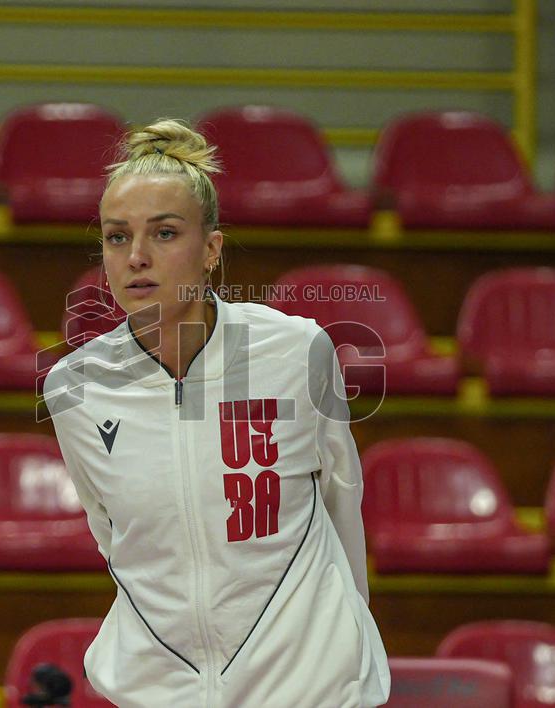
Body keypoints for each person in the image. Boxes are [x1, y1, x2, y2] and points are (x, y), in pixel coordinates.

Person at [43, 118, 390, 707]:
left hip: (309, 686)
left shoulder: (298, 350)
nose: (137, 257)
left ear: (211, 251)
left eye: (165, 233)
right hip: (161, 691)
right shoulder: (73, 387)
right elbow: (114, 536)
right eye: (117, 237)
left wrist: (349, 640)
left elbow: (341, 500)